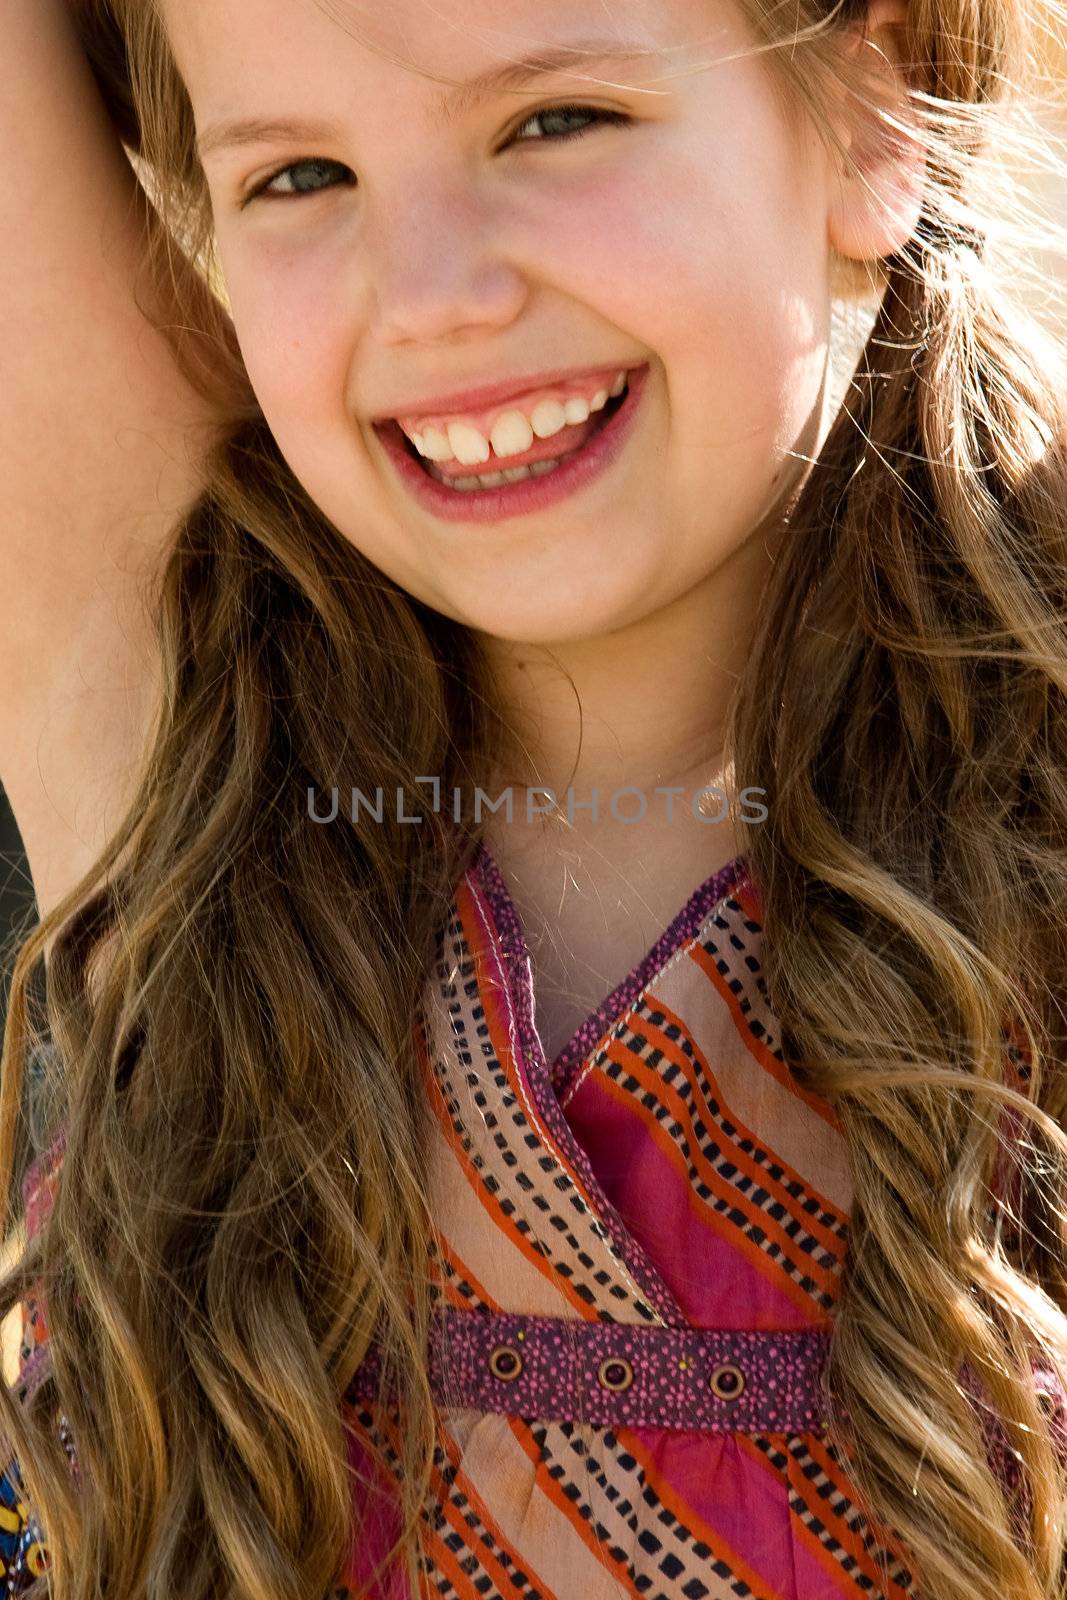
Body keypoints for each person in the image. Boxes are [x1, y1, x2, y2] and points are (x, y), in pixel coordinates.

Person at [0, 0, 1066, 1594]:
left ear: (872, 100)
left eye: (554, 122)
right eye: (299, 176)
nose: (434, 298)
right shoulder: (186, 737)